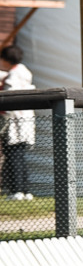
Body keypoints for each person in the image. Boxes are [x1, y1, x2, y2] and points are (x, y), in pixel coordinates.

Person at [0, 45, 36, 197]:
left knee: (13, 154)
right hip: (26, 119)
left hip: (14, 120)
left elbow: (8, 97)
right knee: (20, 155)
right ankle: (25, 190)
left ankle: (17, 191)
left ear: (6, 60)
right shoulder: (23, 71)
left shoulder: (13, 76)